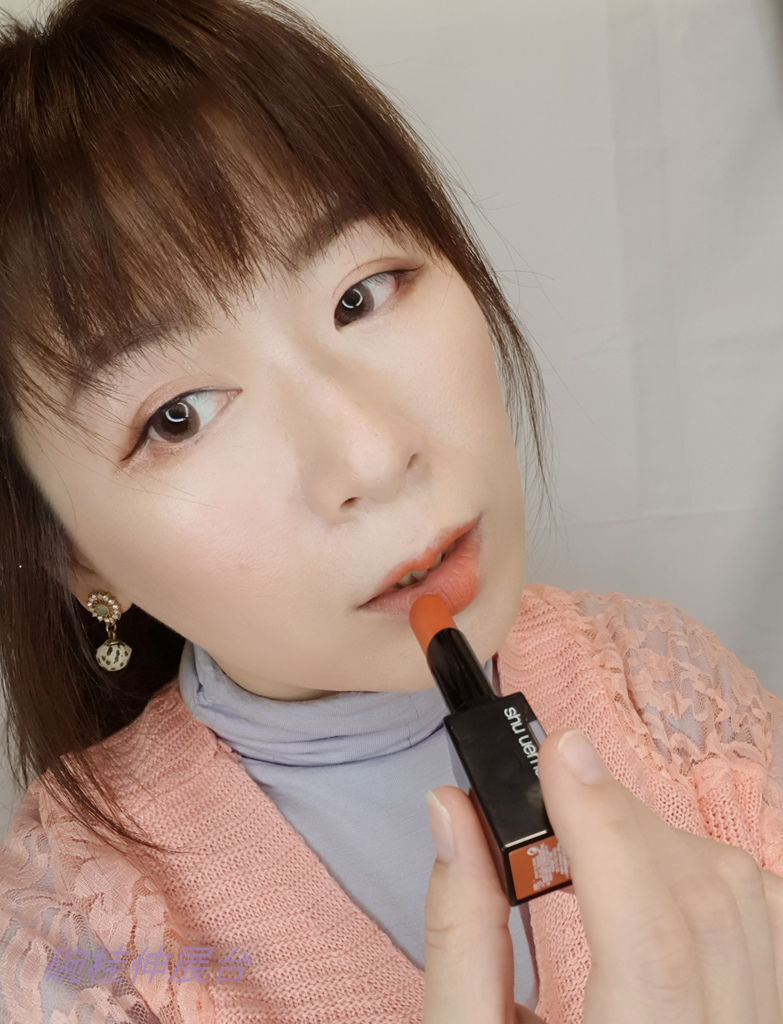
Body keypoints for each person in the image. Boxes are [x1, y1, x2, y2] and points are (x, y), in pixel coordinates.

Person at [0, 0, 780, 1021]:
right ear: (78, 557)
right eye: (179, 416)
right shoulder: (78, 935)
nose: (372, 455)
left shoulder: (662, 685)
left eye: (362, 294)